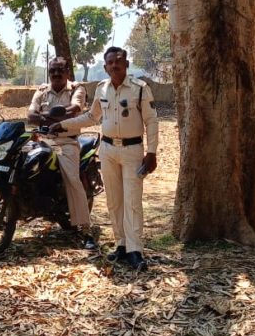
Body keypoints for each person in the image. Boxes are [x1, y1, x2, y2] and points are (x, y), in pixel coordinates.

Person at [51, 47, 158, 270]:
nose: (114, 66)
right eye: (110, 62)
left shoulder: (139, 88)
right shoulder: (102, 88)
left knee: (132, 201)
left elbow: (151, 121)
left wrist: (152, 152)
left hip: (132, 151)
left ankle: (135, 250)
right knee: (114, 201)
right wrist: (63, 125)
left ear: (126, 64)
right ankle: (121, 245)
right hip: (108, 150)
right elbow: (92, 117)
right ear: (105, 66)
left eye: (118, 61)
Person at [28, 56, 96, 249]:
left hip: (65, 142)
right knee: (18, 161)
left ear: (67, 72)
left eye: (60, 70)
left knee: (72, 179)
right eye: (52, 71)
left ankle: (86, 230)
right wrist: (51, 117)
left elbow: (73, 110)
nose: (56, 74)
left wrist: (44, 116)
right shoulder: (42, 90)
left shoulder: (76, 89)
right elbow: (30, 115)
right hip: (43, 140)